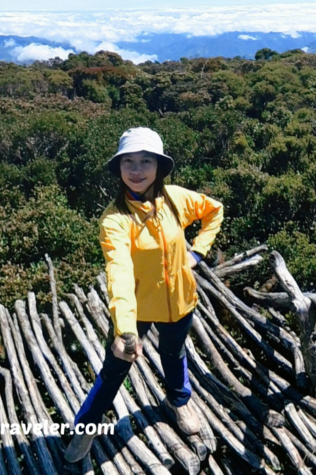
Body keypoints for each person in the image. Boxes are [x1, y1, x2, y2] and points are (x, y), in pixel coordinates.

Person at [64, 126, 224, 463]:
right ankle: (86, 428)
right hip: (134, 310)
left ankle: (178, 402)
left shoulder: (176, 200)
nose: (136, 171)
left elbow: (214, 210)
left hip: (180, 301)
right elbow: (118, 272)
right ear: (119, 168)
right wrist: (125, 330)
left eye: (145, 161)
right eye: (129, 162)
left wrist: (198, 252)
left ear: (159, 167)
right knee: (114, 371)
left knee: (174, 353)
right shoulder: (115, 219)